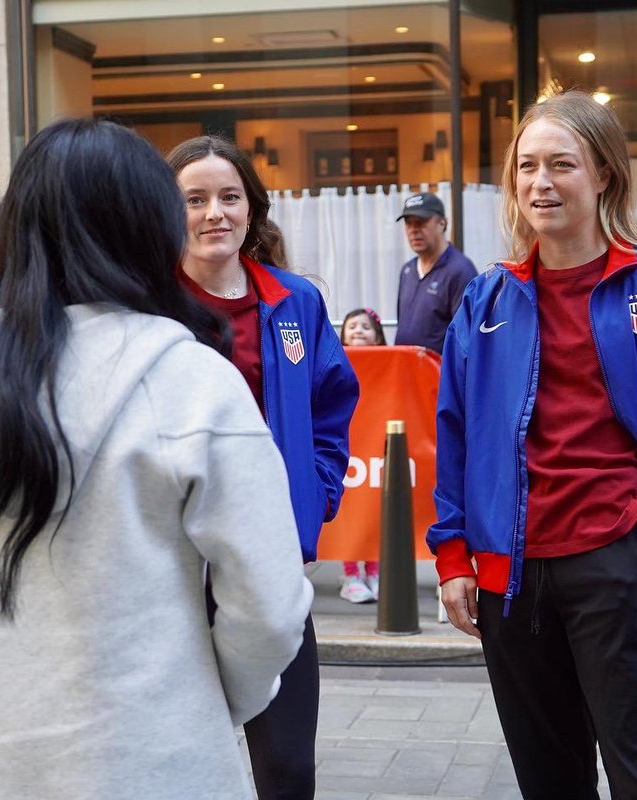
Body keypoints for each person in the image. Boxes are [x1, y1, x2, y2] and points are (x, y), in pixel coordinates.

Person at [0, 118, 312, 800]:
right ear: (149, 228)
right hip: (161, 763)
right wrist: (210, 699)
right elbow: (272, 608)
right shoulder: (191, 383)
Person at [428, 90, 637, 800]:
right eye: (527, 166)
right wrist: (452, 554)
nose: (541, 182)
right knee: (549, 780)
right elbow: (453, 435)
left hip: (614, 555)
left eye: (562, 164)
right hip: (509, 573)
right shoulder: (485, 300)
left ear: (603, 173)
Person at [166, 134, 358, 800]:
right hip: (171, 572)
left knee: (287, 770)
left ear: (253, 208)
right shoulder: (147, 303)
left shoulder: (294, 302)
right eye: (195, 199)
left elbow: (333, 406)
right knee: (190, 763)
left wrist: (316, 492)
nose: (215, 213)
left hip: (270, 563)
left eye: (229, 197)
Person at [337, 307, 386, 604]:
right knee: (350, 510)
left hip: (373, 445)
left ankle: (374, 571)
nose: (358, 331)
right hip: (349, 444)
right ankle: (350, 574)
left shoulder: (388, 363)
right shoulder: (336, 360)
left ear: (378, 336)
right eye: (352, 325)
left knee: (373, 510)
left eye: (365, 327)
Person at [394, 191, 477, 352]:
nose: (414, 230)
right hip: (405, 370)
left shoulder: (460, 270)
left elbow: (466, 338)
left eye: (421, 222)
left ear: (442, 224)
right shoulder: (407, 270)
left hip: (438, 373)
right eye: (408, 223)